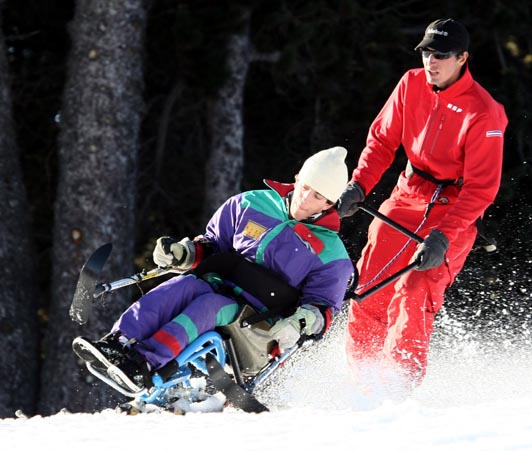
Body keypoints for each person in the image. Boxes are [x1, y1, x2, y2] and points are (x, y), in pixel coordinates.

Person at [73, 146, 354, 393]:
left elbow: (323, 307)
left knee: (209, 305)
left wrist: (302, 321)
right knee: (184, 285)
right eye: (305, 187)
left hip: (260, 324)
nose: (305, 200)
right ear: (297, 179)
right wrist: (184, 254)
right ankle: (117, 342)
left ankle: (145, 362)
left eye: (318, 197)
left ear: (330, 204)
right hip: (220, 283)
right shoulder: (250, 204)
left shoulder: (331, 253)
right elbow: (212, 245)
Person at [337, 18, 508, 386]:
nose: (432, 61)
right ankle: (360, 384)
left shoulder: (485, 112)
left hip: (454, 206)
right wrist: (359, 184)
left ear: (463, 58)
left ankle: (399, 389)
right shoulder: (411, 83)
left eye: (441, 55)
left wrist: (444, 235)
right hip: (409, 192)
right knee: (370, 286)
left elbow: (481, 189)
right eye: (427, 52)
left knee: (415, 291)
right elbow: (382, 142)